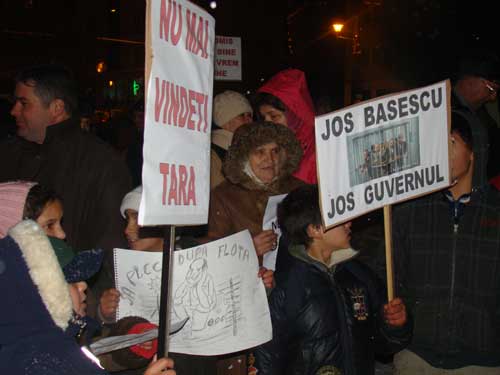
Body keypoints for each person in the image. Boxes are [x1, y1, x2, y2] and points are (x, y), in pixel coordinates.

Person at [0, 64, 132, 307]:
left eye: (24, 103)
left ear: (56, 108)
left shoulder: (101, 162)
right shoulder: (9, 155)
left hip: (72, 306)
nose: (13, 110)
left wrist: (93, 307)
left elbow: (110, 246)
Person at [253, 184, 412, 374]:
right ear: (315, 230)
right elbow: (269, 360)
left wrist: (396, 325)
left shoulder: (359, 276)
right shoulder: (287, 288)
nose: (349, 221)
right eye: (339, 216)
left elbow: (383, 346)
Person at [392, 111, 500, 373]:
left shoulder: (496, 210)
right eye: (435, 145)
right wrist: (395, 319)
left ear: (473, 152)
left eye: (451, 144)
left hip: (481, 360)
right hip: (417, 355)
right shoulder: (409, 210)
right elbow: (390, 278)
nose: (441, 153)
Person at [0, 220, 176, 375]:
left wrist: (131, 337)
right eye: (70, 281)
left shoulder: (54, 344)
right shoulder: (39, 362)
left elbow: (93, 354)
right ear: (41, 294)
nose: (83, 285)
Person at [204, 121, 305, 262]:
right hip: (253, 279)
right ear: (243, 158)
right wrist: (248, 249)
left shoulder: (298, 189)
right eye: (260, 152)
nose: (270, 159)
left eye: (275, 151)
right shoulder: (223, 197)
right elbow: (210, 254)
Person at [253, 68, 317, 184]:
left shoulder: (319, 150)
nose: (268, 123)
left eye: (274, 116)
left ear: (295, 114)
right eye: (264, 118)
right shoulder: (273, 145)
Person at [452, 48, 500, 180]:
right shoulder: (446, 113)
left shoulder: (482, 116)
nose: (493, 97)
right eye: (491, 89)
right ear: (469, 80)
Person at [211, 90, 253, 188]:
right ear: (225, 121)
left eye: (250, 115)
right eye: (242, 115)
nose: (249, 120)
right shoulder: (213, 155)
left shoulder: (250, 149)